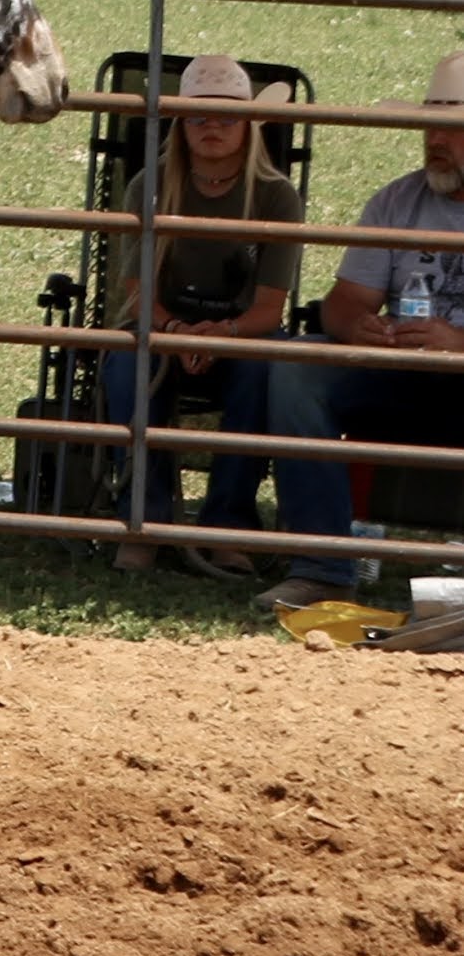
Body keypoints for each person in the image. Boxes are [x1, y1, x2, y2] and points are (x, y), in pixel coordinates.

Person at [274, 49, 464, 611]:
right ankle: (323, 567)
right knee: (296, 365)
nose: (434, 140)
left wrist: (457, 345)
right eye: (429, 126)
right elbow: (342, 305)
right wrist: (361, 328)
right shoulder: (396, 200)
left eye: (451, 130)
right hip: (400, 377)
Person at [99, 58, 305, 576]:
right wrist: (175, 331)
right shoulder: (149, 185)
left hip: (241, 334)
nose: (211, 127)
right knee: (128, 367)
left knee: (263, 371)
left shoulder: (277, 195)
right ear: (179, 125)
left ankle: (227, 525)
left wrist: (223, 334)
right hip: (163, 325)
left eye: (226, 119)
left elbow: (269, 307)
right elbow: (137, 295)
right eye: (197, 117)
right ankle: (142, 522)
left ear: (249, 127)